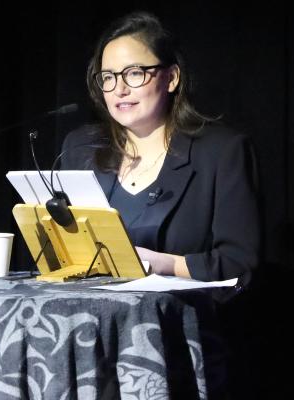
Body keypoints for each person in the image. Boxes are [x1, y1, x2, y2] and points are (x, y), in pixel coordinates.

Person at [61, 11, 261, 294]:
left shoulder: (221, 152)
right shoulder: (80, 149)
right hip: (90, 322)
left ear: (171, 78)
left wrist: (162, 264)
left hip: (185, 324)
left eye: (134, 73)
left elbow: (237, 264)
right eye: (108, 77)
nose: (119, 89)